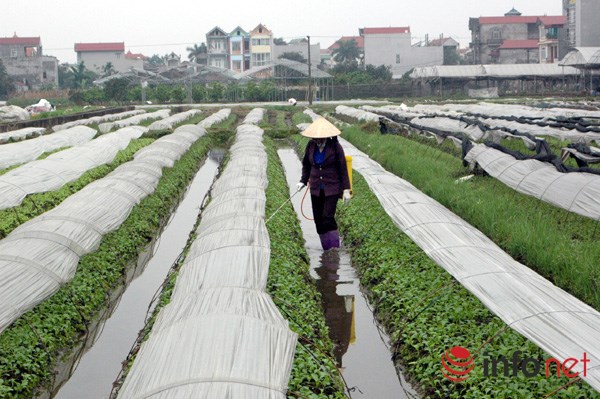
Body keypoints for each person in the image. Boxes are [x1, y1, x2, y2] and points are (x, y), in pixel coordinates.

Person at [297, 117, 351, 250]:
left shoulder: (335, 147)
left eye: (319, 138)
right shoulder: (311, 146)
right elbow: (306, 164)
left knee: (327, 217)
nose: (317, 140)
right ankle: (326, 249)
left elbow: (342, 168)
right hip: (315, 188)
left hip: (332, 188)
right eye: (315, 137)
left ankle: (334, 249)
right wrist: (303, 181)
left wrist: (346, 189)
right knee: (319, 221)